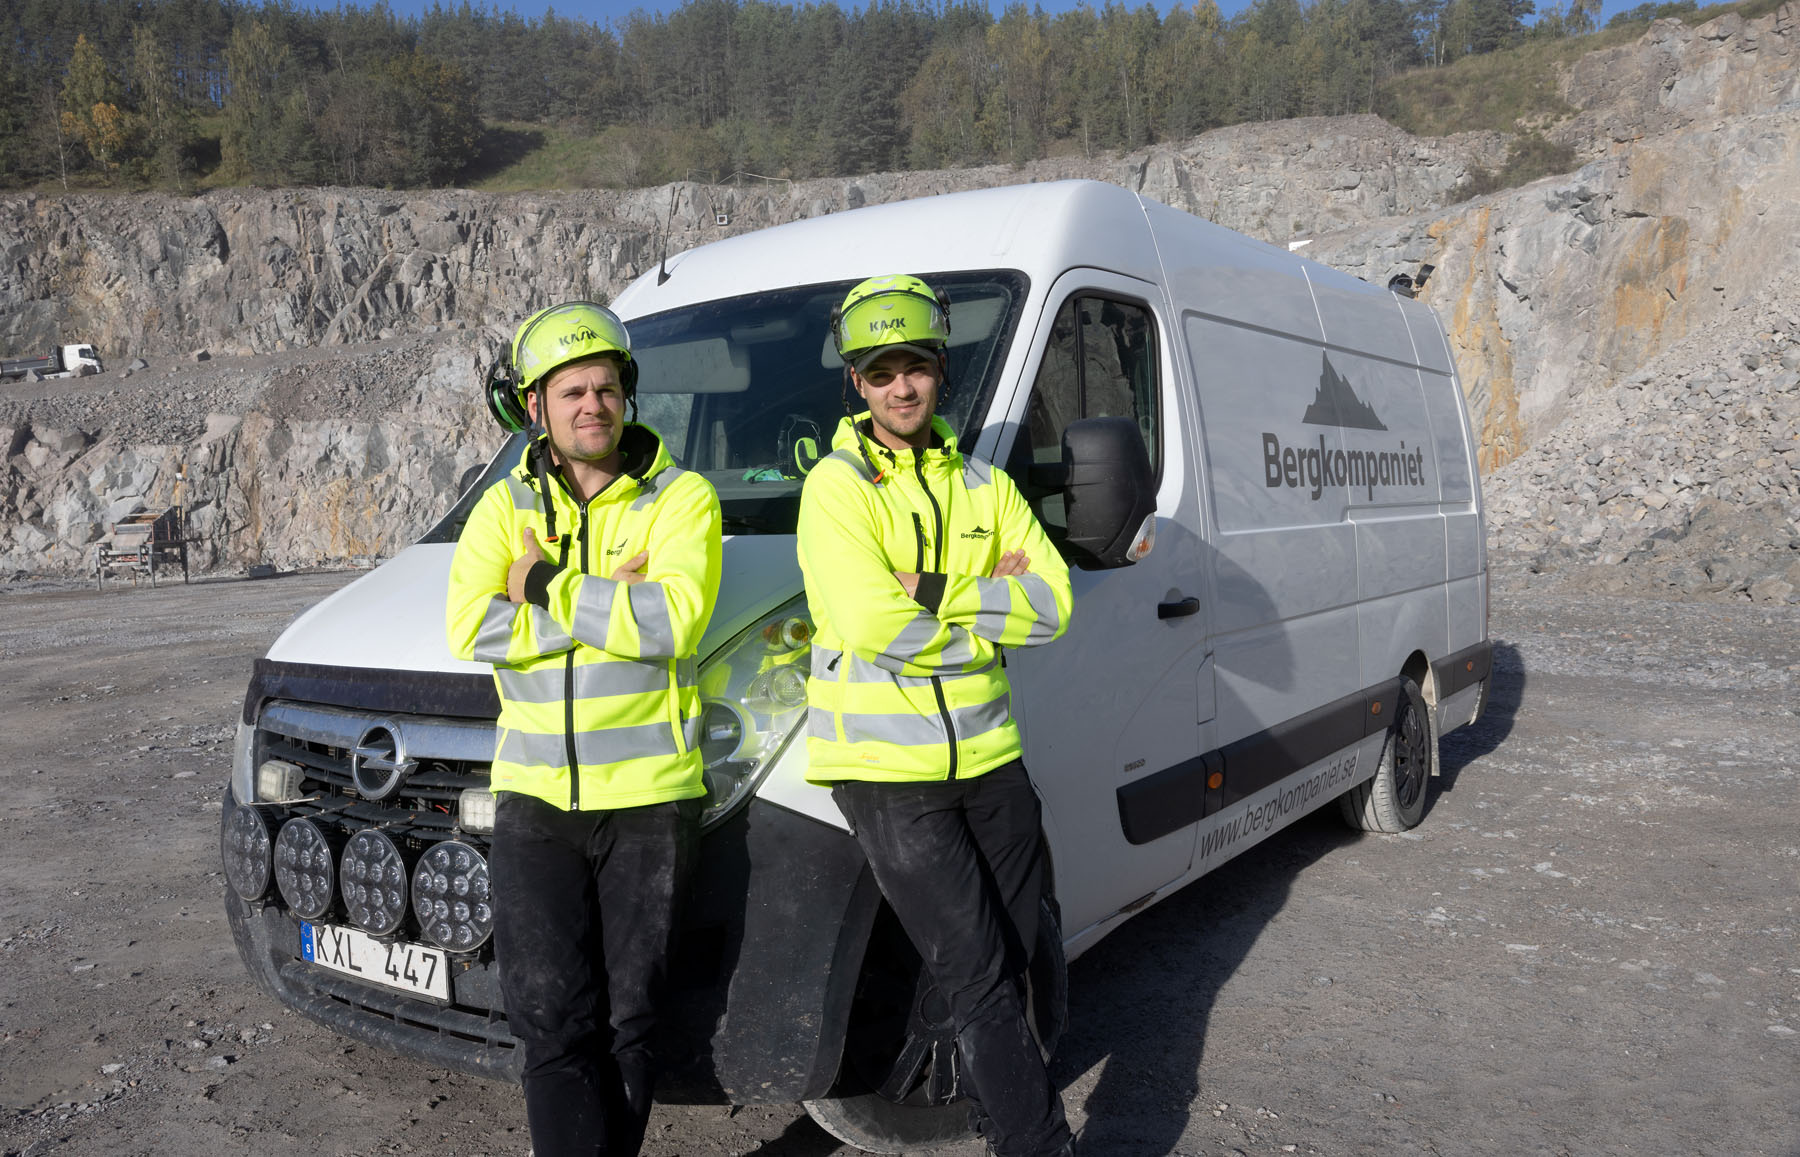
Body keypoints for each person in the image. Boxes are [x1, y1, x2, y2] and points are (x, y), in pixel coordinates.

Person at [795, 275, 1077, 1157]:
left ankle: (994, 1111)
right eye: (881, 372)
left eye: (915, 366)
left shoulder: (984, 485)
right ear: (857, 383)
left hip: (991, 760)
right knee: (979, 972)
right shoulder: (837, 488)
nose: (901, 386)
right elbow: (873, 623)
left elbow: (1055, 605)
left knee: (1013, 953)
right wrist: (986, 620)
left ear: (940, 369)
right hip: (888, 775)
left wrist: (932, 589)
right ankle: (1040, 1143)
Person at [445, 301, 722, 1157]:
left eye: (605, 387)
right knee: (549, 1021)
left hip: (648, 799)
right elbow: (469, 626)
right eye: (571, 391)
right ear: (536, 406)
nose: (591, 405)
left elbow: (671, 623)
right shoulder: (502, 507)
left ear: (627, 395)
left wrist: (543, 584)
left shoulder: (681, 499)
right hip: (535, 801)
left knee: (630, 1021)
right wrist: (608, 607)